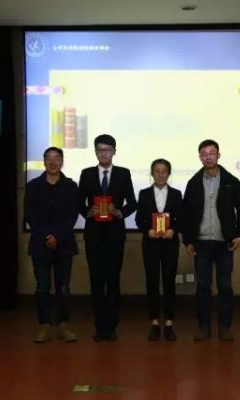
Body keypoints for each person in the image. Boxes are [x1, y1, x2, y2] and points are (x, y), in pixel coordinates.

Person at [182, 139, 240, 341]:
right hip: (201, 243)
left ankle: (225, 327)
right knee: (203, 287)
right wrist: (188, 241)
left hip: (224, 244)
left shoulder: (231, 181)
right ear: (200, 157)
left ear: (218, 155)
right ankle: (204, 326)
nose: (208, 157)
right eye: (204, 154)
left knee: (225, 287)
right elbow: (186, 214)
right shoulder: (193, 183)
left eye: (212, 153)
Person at [78, 134, 137, 341]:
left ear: (114, 151)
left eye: (107, 150)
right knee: (96, 281)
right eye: (100, 150)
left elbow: (132, 203)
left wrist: (120, 212)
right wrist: (88, 211)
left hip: (115, 235)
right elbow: (78, 202)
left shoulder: (123, 173)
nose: (104, 153)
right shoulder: (87, 174)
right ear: (95, 152)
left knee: (113, 281)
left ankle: (112, 326)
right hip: (93, 235)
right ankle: (99, 326)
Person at [24, 147, 79, 343]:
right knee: (42, 288)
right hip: (40, 244)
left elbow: (72, 215)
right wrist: (46, 236)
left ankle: (63, 325)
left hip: (64, 244)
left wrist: (57, 237)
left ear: (62, 161)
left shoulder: (71, 186)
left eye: (56, 158)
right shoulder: (33, 186)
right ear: (44, 161)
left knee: (63, 287)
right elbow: (30, 215)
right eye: (49, 158)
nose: (53, 162)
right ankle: (45, 325)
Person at [135, 159, 182, 341]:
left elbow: (181, 218)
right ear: (152, 173)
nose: (160, 174)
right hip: (151, 244)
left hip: (170, 244)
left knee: (169, 281)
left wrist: (173, 230)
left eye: (164, 171)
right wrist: (147, 230)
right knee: (152, 281)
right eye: (157, 171)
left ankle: (169, 322)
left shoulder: (176, 194)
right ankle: (154, 321)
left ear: (169, 174)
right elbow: (139, 219)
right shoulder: (144, 194)